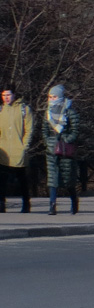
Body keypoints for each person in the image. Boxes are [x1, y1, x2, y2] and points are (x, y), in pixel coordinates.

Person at [42, 84, 80, 216]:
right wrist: (48, 141)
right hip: (52, 149)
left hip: (65, 151)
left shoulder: (69, 112)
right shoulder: (48, 113)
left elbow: (75, 130)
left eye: (55, 97)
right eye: (50, 97)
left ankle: (74, 201)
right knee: (52, 179)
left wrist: (67, 140)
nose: (52, 99)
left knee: (67, 179)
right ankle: (52, 205)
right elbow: (44, 130)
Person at [0, 85, 34, 213]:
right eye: (3, 95)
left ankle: (26, 203)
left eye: (8, 95)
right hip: (3, 151)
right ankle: (1, 203)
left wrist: (24, 146)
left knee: (22, 179)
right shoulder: (1, 110)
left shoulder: (24, 109)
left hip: (18, 150)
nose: (6, 98)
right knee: (1, 179)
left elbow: (29, 129)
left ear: (14, 95)